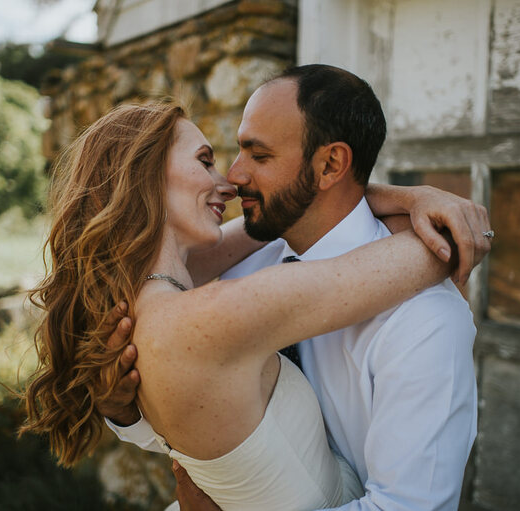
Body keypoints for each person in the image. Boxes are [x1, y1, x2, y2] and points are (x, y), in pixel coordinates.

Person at [100, 65, 491, 510]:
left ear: (330, 165)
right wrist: (125, 412)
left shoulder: (424, 320)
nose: (233, 177)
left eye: (259, 156)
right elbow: (229, 427)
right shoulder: (246, 263)